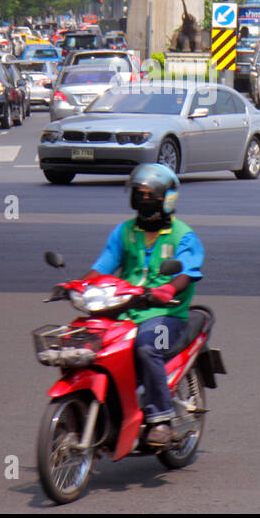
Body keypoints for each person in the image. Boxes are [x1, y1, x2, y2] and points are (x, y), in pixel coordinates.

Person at [87, 164, 203, 447]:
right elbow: (103, 265)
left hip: (166, 315)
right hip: (124, 310)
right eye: (139, 193)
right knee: (88, 346)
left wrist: (167, 289)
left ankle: (160, 418)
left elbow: (187, 272)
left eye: (150, 194)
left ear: (167, 199)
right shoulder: (124, 232)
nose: (143, 198)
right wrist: (78, 286)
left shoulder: (183, 236)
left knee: (147, 347)